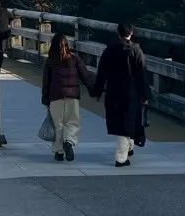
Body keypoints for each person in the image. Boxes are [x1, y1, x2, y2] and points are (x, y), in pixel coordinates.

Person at [92, 22, 149, 166]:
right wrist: (145, 95)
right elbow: (141, 75)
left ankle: (129, 146)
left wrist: (98, 90)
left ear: (118, 33)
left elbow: (101, 72)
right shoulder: (136, 51)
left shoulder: (109, 50)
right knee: (127, 124)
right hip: (131, 94)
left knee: (122, 123)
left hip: (113, 92)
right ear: (132, 33)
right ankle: (121, 158)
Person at [42, 32, 93, 162]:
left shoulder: (50, 61)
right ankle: (69, 141)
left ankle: (59, 152)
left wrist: (45, 98)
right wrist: (92, 89)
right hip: (72, 95)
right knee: (72, 122)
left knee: (58, 124)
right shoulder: (74, 59)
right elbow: (85, 76)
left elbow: (46, 81)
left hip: (56, 95)